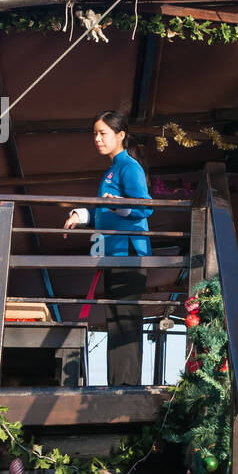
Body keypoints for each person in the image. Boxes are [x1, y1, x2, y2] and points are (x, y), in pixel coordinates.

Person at [64, 111, 152, 386]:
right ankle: (118, 384)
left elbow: (145, 206)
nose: (97, 139)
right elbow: (106, 207)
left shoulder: (129, 167)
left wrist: (119, 205)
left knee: (124, 318)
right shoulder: (112, 169)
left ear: (121, 135)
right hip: (113, 252)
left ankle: (125, 386)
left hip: (128, 252)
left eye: (103, 133)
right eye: (95, 134)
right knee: (115, 317)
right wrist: (82, 215)